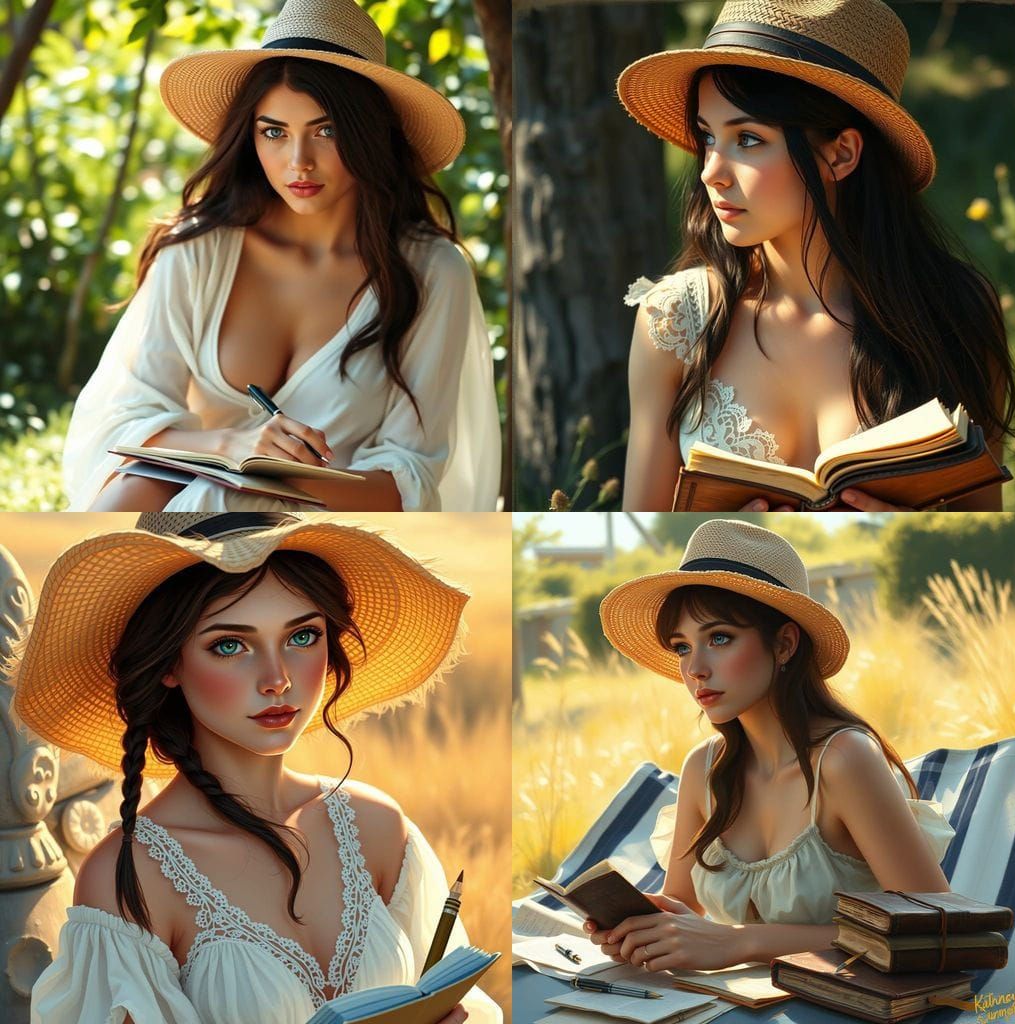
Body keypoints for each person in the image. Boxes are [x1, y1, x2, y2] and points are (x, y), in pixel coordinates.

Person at [16, 512, 501, 1024]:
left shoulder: (376, 826)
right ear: (168, 665)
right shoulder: (132, 876)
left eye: (302, 637)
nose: (277, 679)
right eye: (230, 645)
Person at [64, 0, 500, 513]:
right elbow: (124, 424)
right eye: (274, 132)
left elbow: (409, 481)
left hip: (324, 531)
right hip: (180, 505)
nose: (298, 162)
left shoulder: (430, 273)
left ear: (369, 134)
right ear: (249, 137)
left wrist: (269, 480)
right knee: (128, 504)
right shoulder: (197, 254)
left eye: (326, 130)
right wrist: (232, 449)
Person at [617, 0, 1015, 513]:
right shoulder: (676, 320)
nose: (710, 171)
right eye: (707, 136)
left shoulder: (956, 311)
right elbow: (643, 534)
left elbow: (988, 543)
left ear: (842, 153)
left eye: (747, 139)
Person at [592, 518, 954, 970]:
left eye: (719, 638)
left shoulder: (842, 760)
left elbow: (937, 926)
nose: (696, 669)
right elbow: (684, 906)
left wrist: (740, 942)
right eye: (682, 647)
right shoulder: (702, 769)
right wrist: (648, 930)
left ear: (784, 643)